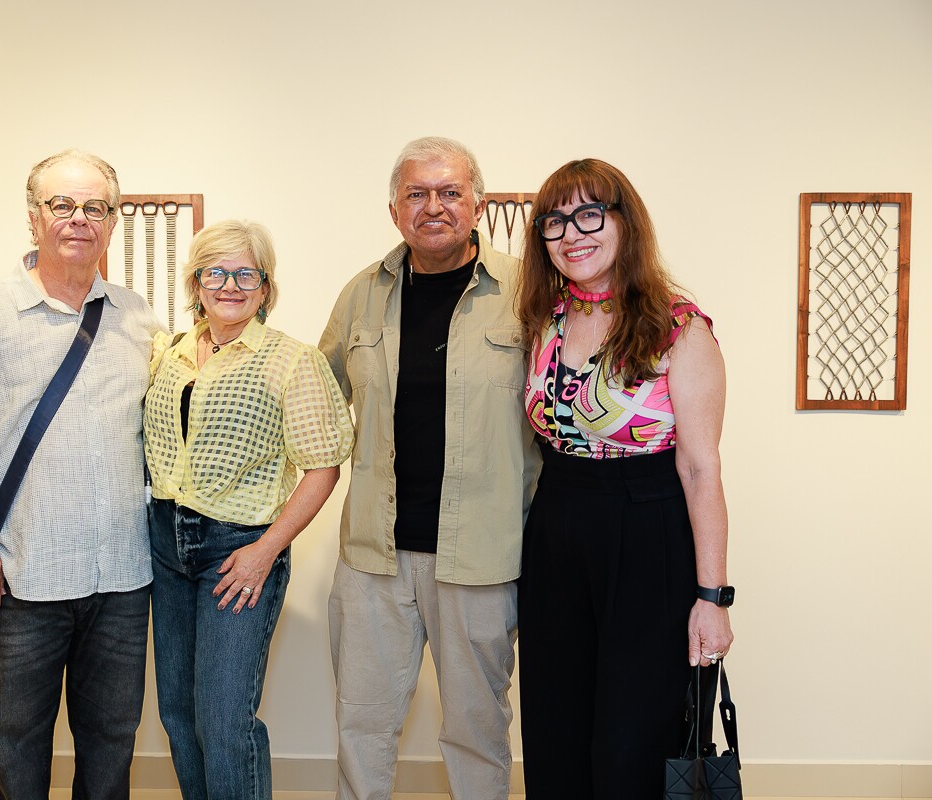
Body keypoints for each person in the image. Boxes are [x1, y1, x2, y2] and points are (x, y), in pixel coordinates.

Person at [0, 149, 162, 800]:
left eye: (94, 207)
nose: (78, 219)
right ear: (34, 219)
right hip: (20, 580)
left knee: (111, 750)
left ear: (112, 222)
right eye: (62, 205)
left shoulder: (138, 319)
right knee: (20, 754)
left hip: (121, 580)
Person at [319, 136, 540, 800]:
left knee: (477, 729)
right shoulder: (361, 295)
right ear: (394, 210)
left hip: (481, 557)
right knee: (363, 725)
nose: (434, 207)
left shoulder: (526, 293)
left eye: (450, 192)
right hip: (374, 557)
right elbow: (318, 405)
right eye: (417, 194)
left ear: (478, 204)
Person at [515, 158, 735, 799]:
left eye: (590, 213)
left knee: (631, 739)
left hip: (649, 530)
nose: (572, 233)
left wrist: (713, 597)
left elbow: (700, 469)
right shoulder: (543, 319)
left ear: (624, 222)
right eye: (555, 221)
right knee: (555, 730)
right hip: (556, 529)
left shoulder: (679, 327)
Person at [143, 219, 354, 800]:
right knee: (178, 715)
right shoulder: (169, 354)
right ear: (196, 283)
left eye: (246, 274)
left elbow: (323, 466)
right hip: (164, 544)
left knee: (223, 720)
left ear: (265, 288)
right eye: (216, 271)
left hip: (238, 548)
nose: (230, 284)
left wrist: (266, 551)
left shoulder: (292, 361)